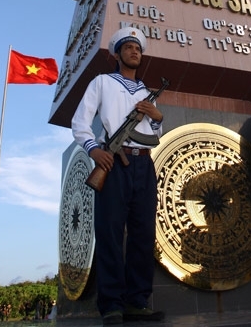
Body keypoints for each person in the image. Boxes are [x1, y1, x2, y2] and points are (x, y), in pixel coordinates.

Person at [72, 27, 165, 325]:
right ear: (117, 54)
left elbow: (154, 135)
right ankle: (112, 303)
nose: (134, 51)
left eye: (137, 48)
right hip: (113, 161)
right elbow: (80, 122)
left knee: (143, 234)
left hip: (144, 164)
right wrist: (93, 150)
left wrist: (157, 117)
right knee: (110, 233)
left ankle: (137, 301)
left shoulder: (147, 92)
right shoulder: (102, 82)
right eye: (128, 47)